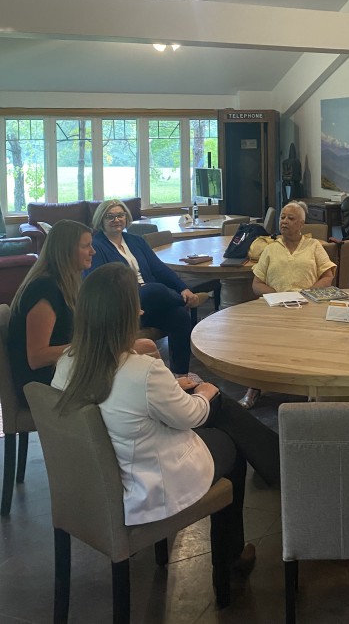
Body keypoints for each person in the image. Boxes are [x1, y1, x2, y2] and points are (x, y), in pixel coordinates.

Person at [52, 264, 280, 576]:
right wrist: (207, 392)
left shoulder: (68, 363)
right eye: (136, 302)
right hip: (146, 485)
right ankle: (232, 557)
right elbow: (190, 416)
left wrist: (171, 386)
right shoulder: (140, 372)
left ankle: (276, 461)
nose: (142, 309)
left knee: (219, 413)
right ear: (128, 311)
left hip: (101, 481)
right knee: (226, 433)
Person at [89, 199, 208, 378]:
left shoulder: (136, 241)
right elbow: (99, 284)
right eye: (110, 216)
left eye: (120, 215)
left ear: (126, 217)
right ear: (101, 220)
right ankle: (189, 301)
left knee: (179, 315)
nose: (116, 220)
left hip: (151, 303)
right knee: (155, 290)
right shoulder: (96, 246)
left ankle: (180, 375)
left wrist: (183, 288)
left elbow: (159, 268)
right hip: (124, 304)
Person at [241, 200, 336, 408]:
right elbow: (257, 284)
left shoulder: (314, 246)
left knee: (315, 340)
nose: (284, 221)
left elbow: (328, 276)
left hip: (308, 305)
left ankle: (312, 388)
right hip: (276, 307)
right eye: (282, 217)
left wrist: (309, 292)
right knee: (262, 342)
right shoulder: (270, 249)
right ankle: (254, 386)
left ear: (301, 224)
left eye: (290, 218)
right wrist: (276, 296)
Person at [7, 219, 94, 406]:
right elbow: (37, 357)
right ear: (67, 251)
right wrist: (86, 347)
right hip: (41, 387)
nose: (92, 252)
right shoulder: (44, 289)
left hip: (62, 373)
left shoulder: (64, 284)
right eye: (86, 246)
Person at [328, 195, 349, 284]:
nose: (343, 218)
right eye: (342, 214)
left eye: (345, 214)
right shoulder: (346, 227)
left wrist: (342, 242)